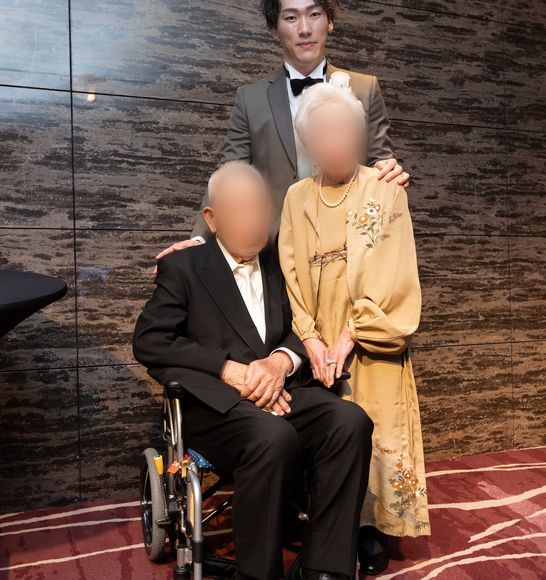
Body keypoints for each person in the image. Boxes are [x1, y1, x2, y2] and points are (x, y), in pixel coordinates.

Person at [133, 160, 373, 580]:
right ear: (212, 219)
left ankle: (324, 568)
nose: (254, 218)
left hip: (282, 390)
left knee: (350, 421)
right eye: (240, 208)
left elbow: (306, 325)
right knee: (272, 437)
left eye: (259, 206)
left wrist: (281, 360)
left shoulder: (282, 262)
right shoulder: (185, 267)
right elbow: (150, 341)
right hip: (217, 407)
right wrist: (227, 369)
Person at [278, 83, 431, 575]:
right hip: (319, 340)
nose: (335, 141)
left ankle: (370, 527)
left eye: (344, 130)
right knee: (333, 433)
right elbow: (291, 273)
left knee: (377, 428)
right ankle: (330, 524)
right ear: (308, 142)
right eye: (323, 132)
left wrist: (348, 337)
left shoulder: (384, 189)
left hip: (370, 336)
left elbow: (394, 272)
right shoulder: (296, 197)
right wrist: (311, 338)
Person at [155, 0, 409, 264]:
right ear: (273, 29)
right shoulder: (250, 99)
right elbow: (228, 172)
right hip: (275, 253)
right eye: (291, 18)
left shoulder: (365, 89)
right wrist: (199, 238)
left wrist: (390, 172)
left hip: (354, 250)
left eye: (314, 14)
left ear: (330, 22)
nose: (305, 29)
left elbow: (380, 162)